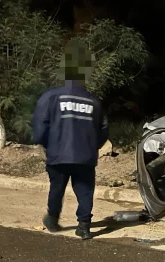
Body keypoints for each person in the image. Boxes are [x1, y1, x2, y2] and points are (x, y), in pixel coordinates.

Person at [31, 39, 109, 240]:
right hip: (85, 156)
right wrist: (93, 146)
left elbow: (41, 125)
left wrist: (45, 143)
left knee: (57, 187)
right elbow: (104, 129)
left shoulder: (52, 96)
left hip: (58, 154)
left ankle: (53, 219)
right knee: (85, 190)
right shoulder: (94, 101)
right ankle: (84, 226)